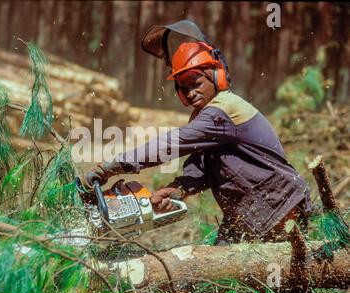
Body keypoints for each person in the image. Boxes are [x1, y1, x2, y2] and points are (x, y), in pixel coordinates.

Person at [81, 20, 310, 245]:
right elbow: (200, 164)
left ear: (216, 76)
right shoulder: (207, 117)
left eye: (196, 83)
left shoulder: (223, 109)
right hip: (250, 215)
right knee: (211, 278)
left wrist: (112, 166)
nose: (190, 93)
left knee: (228, 274)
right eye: (184, 87)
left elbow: (172, 144)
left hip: (279, 207)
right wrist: (177, 189)